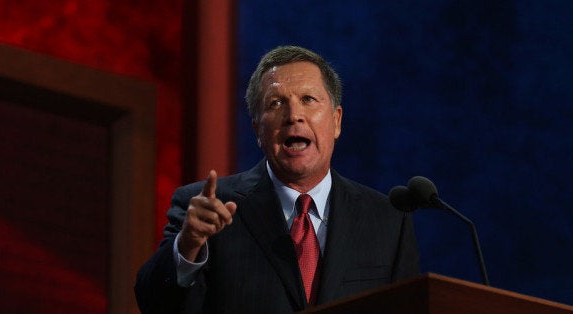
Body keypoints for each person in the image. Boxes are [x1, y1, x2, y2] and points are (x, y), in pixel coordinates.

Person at [134, 45, 419, 313]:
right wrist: (188, 244)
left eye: (308, 100)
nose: (294, 115)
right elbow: (154, 304)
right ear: (258, 130)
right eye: (276, 103)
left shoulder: (387, 221)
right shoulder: (206, 209)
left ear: (336, 121)